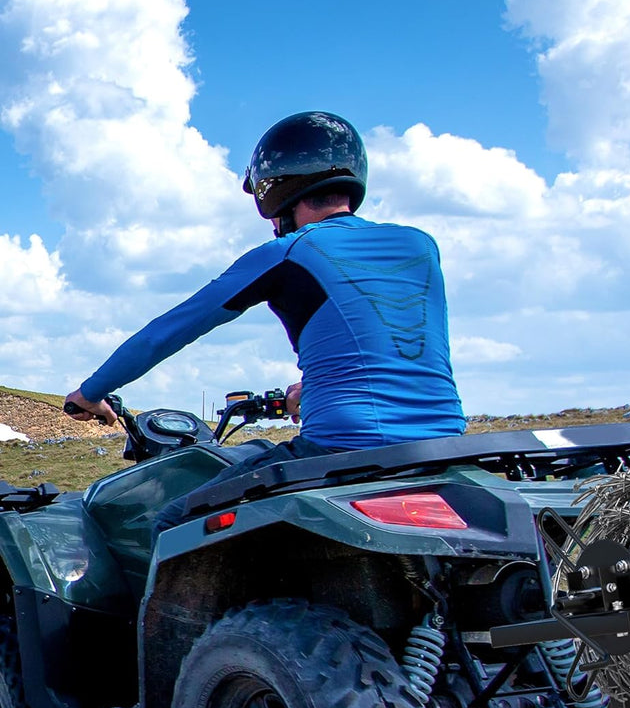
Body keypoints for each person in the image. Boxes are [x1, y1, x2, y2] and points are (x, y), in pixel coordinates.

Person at [66, 110, 466, 528]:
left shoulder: (288, 252)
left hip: (343, 451)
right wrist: (312, 391)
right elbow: (390, 348)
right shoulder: (421, 245)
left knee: (172, 525)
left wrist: (92, 392)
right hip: (443, 451)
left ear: (275, 190)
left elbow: (167, 331)